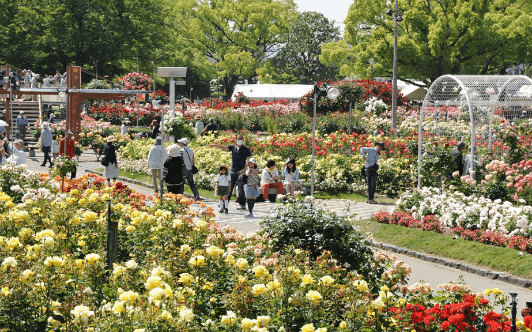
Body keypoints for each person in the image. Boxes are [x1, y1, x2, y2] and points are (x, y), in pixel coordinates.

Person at [210, 134, 252, 210]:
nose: (240, 140)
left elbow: (250, 160)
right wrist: (214, 145)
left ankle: (242, 204)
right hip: (233, 171)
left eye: (241, 139)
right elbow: (224, 147)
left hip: (241, 171)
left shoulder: (246, 149)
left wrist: (245, 169)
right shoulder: (233, 147)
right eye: (238, 139)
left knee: (240, 188)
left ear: (243, 139)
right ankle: (224, 203)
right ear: (236, 139)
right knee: (229, 187)